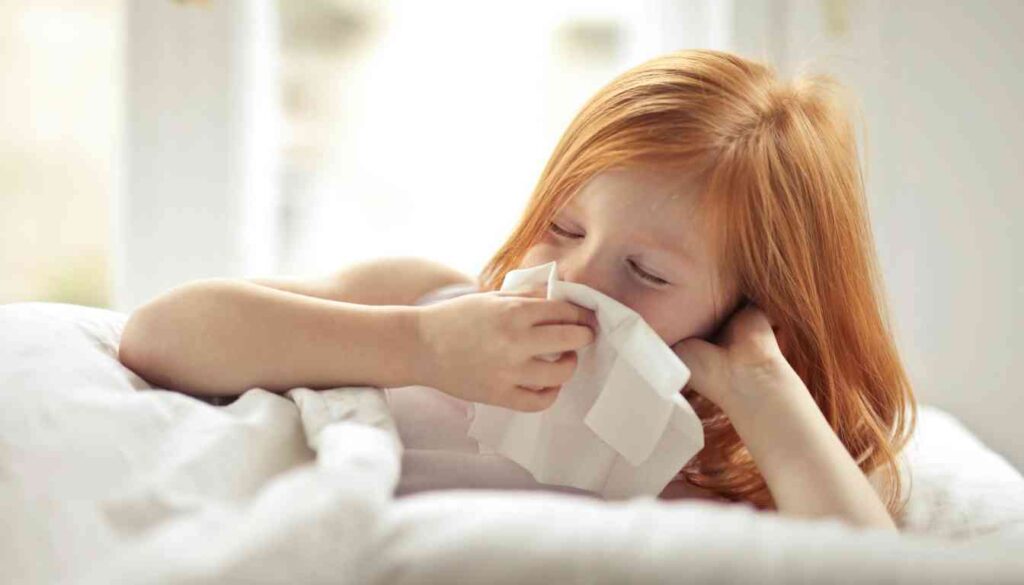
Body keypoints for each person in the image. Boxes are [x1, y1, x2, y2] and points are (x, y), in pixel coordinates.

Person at [119, 49, 916, 531]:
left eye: (646, 273)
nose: (573, 276)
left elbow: (867, 569)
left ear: (750, 308)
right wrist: (418, 346)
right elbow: (158, 334)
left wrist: (764, 389)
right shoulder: (426, 301)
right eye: (564, 227)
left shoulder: (716, 469)